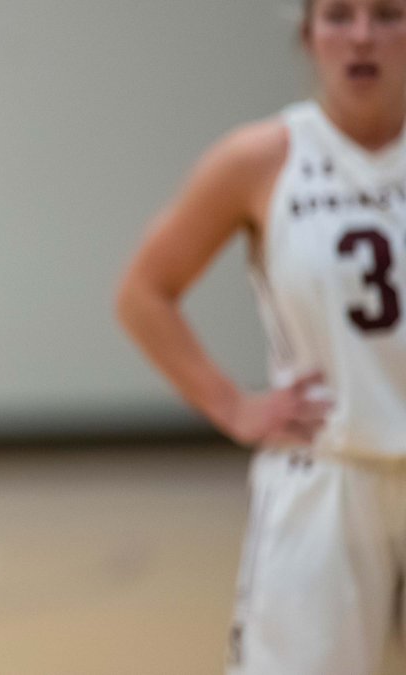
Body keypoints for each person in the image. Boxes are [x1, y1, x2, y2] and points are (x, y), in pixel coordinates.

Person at [116, 1, 406, 672]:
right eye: (339, 15)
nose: (362, 35)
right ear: (308, 34)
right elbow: (143, 292)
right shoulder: (262, 158)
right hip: (326, 474)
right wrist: (232, 405)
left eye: (388, 14)